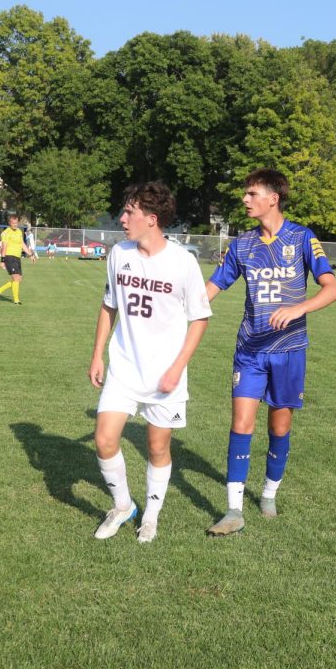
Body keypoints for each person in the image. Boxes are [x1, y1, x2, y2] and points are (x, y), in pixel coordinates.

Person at [204, 168, 336, 537]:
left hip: (288, 350)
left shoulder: (301, 238)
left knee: (279, 426)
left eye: (251, 194)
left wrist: (299, 308)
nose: (245, 200)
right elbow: (215, 286)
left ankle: (268, 493)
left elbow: (332, 288)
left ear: (272, 198)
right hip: (249, 349)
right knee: (240, 423)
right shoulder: (242, 245)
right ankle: (233, 510)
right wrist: (178, 309)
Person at [87, 182, 212, 544]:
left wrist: (177, 368)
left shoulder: (182, 262)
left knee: (157, 448)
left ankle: (152, 515)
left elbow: (199, 318)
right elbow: (109, 305)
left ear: (152, 219)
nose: (122, 219)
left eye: (130, 212)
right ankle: (124, 506)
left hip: (164, 376)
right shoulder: (119, 254)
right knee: (104, 439)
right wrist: (97, 353)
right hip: (124, 367)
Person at [0, 215, 36, 305]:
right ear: (9, 223)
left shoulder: (19, 231)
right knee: (15, 277)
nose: (15, 225)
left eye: (16, 223)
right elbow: (4, 246)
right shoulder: (6, 232)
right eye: (13, 223)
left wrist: (30, 255)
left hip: (17, 257)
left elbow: (22, 244)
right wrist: (2, 260)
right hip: (9, 257)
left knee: (19, 279)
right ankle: (16, 300)